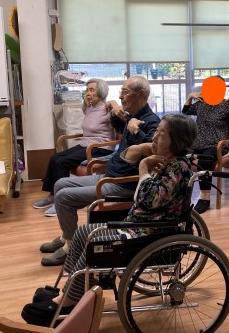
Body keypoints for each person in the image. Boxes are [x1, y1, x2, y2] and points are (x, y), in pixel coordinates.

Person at [21, 113, 197, 327]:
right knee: (83, 232)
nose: (154, 136)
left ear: (176, 141)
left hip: (149, 232)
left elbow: (147, 199)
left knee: (94, 242)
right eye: (157, 131)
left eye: (161, 133)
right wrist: (147, 167)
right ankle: (71, 291)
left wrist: (143, 168)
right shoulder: (166, 163)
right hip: (139, 226)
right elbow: (144, 196)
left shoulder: (177, 167)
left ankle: (66, 302)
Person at [38, 75, 160, 266]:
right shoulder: (130, 116)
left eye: (125, 92)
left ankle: (70, 247)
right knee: (60, 183)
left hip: (123, 184)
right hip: (110, 175)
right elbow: (116, 123)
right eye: (120, 91)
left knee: (63, 197)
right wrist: (116, 111)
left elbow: (154, 150)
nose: (120, 96)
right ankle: (67, 237)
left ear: (141, 94)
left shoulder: (151, 121)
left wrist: (136, 130)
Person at [33, 78, 116, 217]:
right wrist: (86, 100)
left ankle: (59, 201)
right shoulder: (90, 108)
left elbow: (116, 108)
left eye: (92, 90)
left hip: (100, 147)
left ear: (101, 93)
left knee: (62, 162)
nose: (88, 93)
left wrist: (114, 103)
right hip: (86, 144)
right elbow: (85, 108)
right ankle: (52, 195)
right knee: (54, 158)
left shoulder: (107, 108)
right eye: (87, 90)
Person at [182, 77, 229, 214]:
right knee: (180, 156)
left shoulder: (227, 106)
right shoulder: (201, 104)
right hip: (198, 143)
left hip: (217, 145)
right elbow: (185, 111)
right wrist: (190, 97)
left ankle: (204, 198)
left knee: (204, 160)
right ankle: (182, 194)